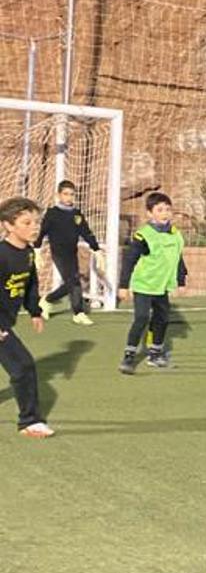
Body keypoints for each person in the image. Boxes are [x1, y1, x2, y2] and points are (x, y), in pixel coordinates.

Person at [117, 192, 188, 374]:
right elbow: (129, 260)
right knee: (141, 318)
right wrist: (123, 285)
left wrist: (181, 281)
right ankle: (129, 355)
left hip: (162, 287)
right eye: (160, 210)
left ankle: (155, 354)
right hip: (144, 285)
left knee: (162, 319)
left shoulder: (175, 235)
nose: (165, 213)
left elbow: (178, 259)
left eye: (167, 209)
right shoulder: (143, 236)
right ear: (150, 214)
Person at [0, 196, 53, 438]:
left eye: (36, 222)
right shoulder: (1, 255)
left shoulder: (28, 253)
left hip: (4, 321)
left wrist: (35, 311)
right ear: (8, 225)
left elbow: (30, 283)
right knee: (23, 366)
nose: (34, 227)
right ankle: (30, 422)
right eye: (26, 222)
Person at [37, 180, 101, 325]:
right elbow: (42, 232)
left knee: (74, 282)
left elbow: (86, 232)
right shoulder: (52, 213)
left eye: (72, 195)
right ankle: (70, 308)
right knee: (73, 281)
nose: (69, 198)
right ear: (58, 195)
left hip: (72, 252)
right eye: (65, 194)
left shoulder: (76, 214)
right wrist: (37, 249)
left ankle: (71, 310)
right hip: (58, 252)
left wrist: (96, 248)